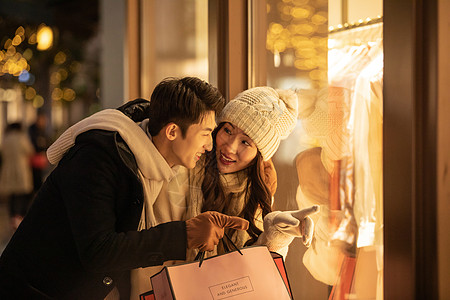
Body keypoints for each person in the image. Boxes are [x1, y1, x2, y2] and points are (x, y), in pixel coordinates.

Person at [0, 77, 249, 300]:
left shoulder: (148, 162)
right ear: (172, 131)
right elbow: (99, 250)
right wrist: (185, 235)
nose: (209, 145)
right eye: (206, 134)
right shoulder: (98, 158)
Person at [128, 86, 320, 298]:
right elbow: (151, 255)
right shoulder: (181, 169)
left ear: (260, 155)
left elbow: (246, 279)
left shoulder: (253, 193)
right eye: (227, 130)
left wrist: (275, 235)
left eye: (246, 142)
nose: (229, 147)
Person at [0, 122, 35, 231]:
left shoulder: (6, 138)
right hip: (21, 169)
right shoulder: (22, 138)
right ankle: (19, 217)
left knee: (12, 196)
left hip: (8, 169)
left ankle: (12, 218)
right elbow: (30, 151)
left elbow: (2, 152)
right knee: (22, 194)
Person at [28, 111, 52, 192]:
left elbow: (46, 142)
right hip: (34, 158)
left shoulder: (42, 131)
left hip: (41, 158)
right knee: (36, 178)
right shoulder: (32, 131)